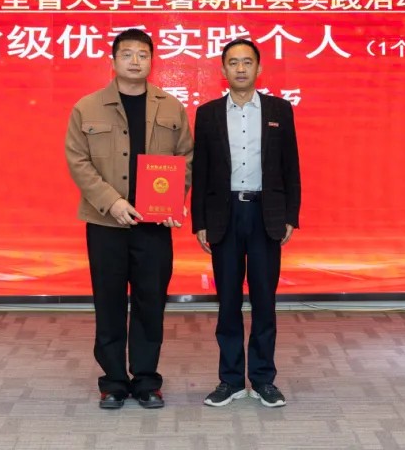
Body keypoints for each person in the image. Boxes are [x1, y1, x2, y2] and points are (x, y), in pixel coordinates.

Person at [64, 28, 193, 410]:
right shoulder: (87, 107)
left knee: (151, 302)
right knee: (109, 303)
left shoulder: (171, 107)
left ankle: (146, 380)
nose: (135, 61)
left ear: (152, 60)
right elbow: (78, 161)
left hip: (154, 226)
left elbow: (187, 158)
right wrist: (112, 201)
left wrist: (173, 202)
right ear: (113, 60)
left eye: (142, 54)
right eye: (127, 54)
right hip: (106, 223)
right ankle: (113, 382)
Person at [191, 38, 301, 408]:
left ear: (259, 68)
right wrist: (200, 221)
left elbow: (290, 167)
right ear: (223, 70)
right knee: (228, 303)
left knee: (264, 301)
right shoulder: (208, 113)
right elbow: (202, 171)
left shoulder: (279, 110)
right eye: (233, 62)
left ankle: (264, 379)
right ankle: (231, 380)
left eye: (247, 62)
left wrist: (290, 215)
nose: (240, 68)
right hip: (224, 216)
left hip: (265, 215)